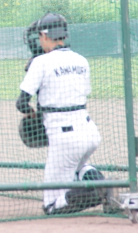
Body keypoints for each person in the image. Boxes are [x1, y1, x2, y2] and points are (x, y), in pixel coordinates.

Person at [16, 12, 110, 215]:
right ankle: (105, 186)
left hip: (64, 138)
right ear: (64, 36)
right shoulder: (81, 60)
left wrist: (33, 114)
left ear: (44, 36)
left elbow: (21, 103)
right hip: (89, 131)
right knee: (79, 168)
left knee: (51, 205)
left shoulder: (40, 62)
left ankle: (98, 192)